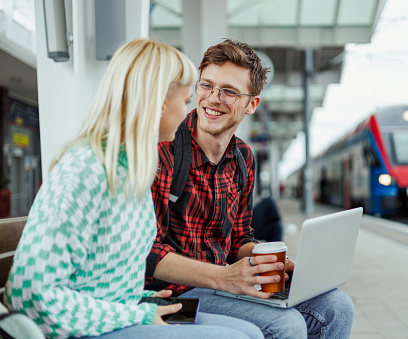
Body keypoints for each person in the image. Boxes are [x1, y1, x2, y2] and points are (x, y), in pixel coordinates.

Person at [3, 38, 262, 339]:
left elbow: (105, 273)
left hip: (125, 310)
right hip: (94, 325)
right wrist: (137, 312)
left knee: (250, 335)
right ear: (161, 104)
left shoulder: (132, 168)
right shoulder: (86, 169)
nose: (190, 112)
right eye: (186, 100)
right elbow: (32, 295)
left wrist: (141, 302)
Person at [147, 38, 355, 339]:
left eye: (229, 92)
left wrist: (266, 259)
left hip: (224, 286)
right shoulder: (164, 151)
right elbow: (147, 253)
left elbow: (237, 241)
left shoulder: (243, 158)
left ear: (251, 104)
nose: (213, 98)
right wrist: (223, 277)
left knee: (337, 307)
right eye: (206, 86)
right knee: (286, 325)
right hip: (169, 298)